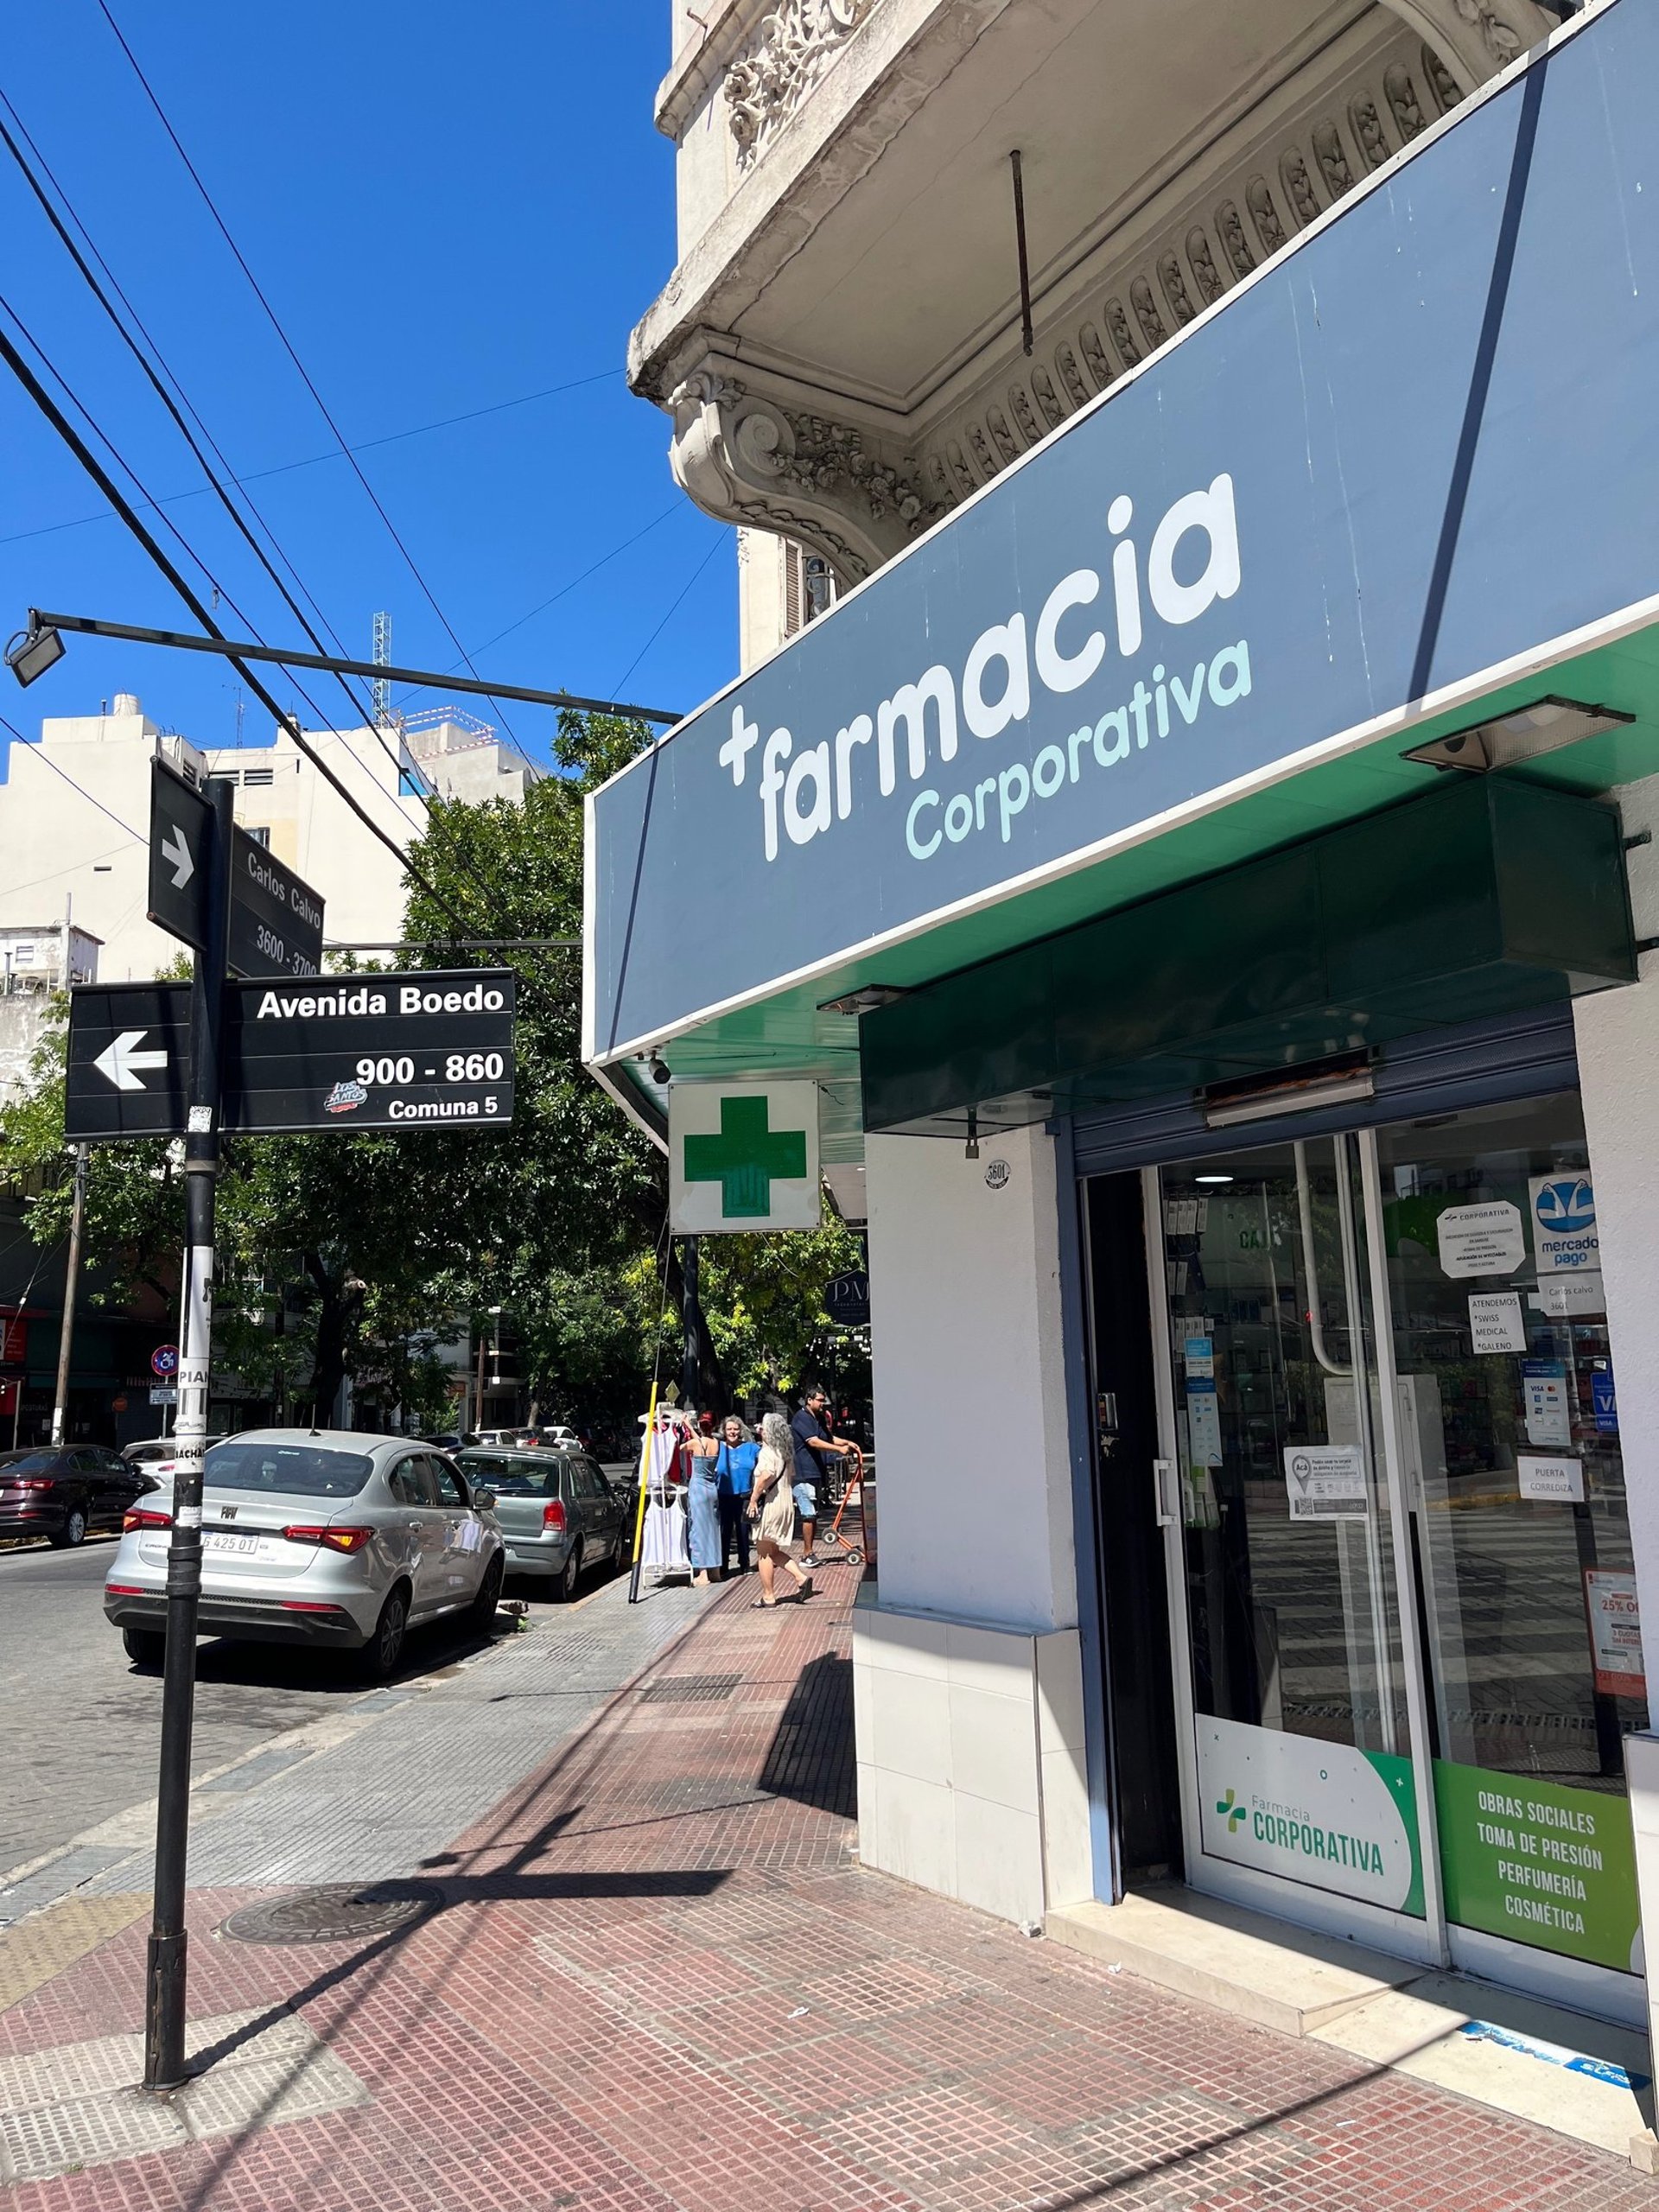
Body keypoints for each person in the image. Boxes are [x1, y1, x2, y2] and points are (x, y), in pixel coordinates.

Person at [789, 1386, 856, 1571]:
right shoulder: (801, 1418)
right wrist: (839, 1449)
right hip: (803, 1474)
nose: (822, 1404)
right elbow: (813, 1441)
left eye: (822, 1400)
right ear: (809, 1400)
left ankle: (809, 1553)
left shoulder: (817, 1418)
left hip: (815, 1472)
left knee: (814, 1514)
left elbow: (827, 1437)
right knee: (808, 1514)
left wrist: (847, 1442)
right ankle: (806, 1554)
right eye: (819, 1400)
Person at [748, 1411, 812, 1607]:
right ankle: (801, 1577)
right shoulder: (785, 1454)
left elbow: (766, 1475)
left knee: (764, 1552)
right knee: (773, 1550)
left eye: (763, 1428)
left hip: (771, 1503)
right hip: (785, 1501)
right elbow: (790, 1476)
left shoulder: (767, 1453)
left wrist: (753, 1499)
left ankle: (768, 1595)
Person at [715, 1414, 758, 1574]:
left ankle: (745, 1564)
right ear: (724, 1431)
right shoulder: (718, 1447)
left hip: (744, 1496)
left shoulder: (751, 1448)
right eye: (729, 1429)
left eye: (735, 1429)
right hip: (723, 1495)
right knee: (725, 1531)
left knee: (743, 1531)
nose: (732, 1432)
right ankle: (723, 1565)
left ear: (740, 1430)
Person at [686, 1410, 722, 1586]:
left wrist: (686, 1426)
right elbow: (703, 1441)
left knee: (698, 1530)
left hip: (698, 1489)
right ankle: (715, 1571)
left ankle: (703, 1574)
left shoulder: (693, 1443)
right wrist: (689, 1427)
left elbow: (680, 1449)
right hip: (712, 1489)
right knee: (713, 1530)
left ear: (700, 1425)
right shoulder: (717, 1443)